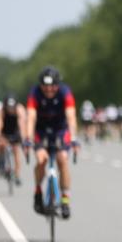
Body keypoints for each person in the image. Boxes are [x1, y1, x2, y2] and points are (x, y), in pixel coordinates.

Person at [24, 67, 79, 218]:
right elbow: (31, 117)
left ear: (58, 85)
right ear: (40, 85)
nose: (48, 90)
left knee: (62, 159)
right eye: (45, 87)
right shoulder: (34, 93)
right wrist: (28, 138)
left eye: (52, 86)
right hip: (40, 131)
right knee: (41, 159)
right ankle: (37, 192)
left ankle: (65, 199)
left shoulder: (65, 92)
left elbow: (71, 116)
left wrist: (74, 138)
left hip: (60, 130)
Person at [0, 94, 26, 185]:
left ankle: (17, 175)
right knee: (1, 144)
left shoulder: (20, 109)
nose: (10, 109)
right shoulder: (1, 111)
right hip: (5, 132)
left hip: (15, 131)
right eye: (8, 107)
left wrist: (23, 138)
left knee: (16, 152)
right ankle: (1, 162)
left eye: (12, 107)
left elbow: (22, 125)